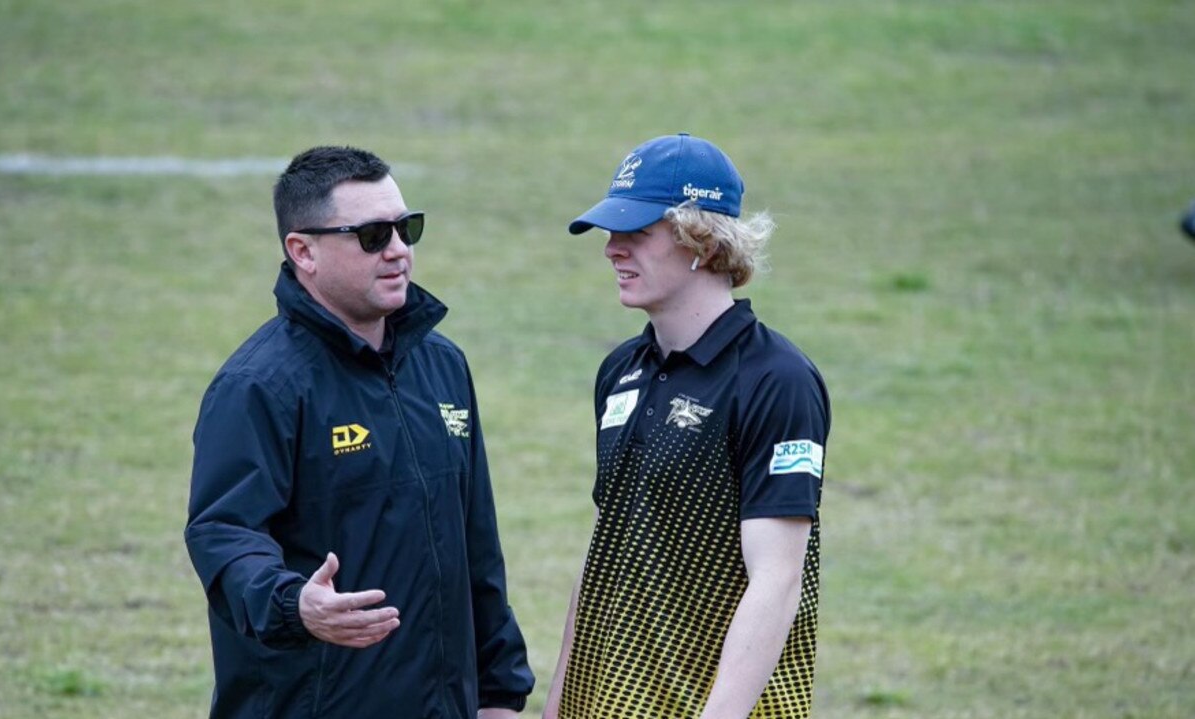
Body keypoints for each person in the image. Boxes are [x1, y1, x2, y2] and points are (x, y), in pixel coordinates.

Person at [184, 145, 533, 718]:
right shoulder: (259, 387)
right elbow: (224, 533)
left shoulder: (442, 366)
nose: (398, 250)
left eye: (406, 228)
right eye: (372, 235)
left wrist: (499, 694)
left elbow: (476, 548)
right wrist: (296, 603)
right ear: (304, 251)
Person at [544, 134, 831, 719]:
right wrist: (559, 702)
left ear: (701, 242)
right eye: (610, 233)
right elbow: (606, 548)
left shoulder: (777, 379)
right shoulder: (619, 370)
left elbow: (776, 580)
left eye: (636, 234)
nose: (612, 251)